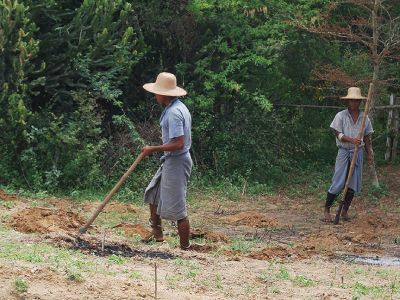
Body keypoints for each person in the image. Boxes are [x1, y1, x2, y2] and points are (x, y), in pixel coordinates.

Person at [141, 72, 193, 250]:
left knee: (178, 208)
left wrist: (152, 149)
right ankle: (158, 236)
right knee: (153, 194)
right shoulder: (175, 107)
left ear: (165, 94)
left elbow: (178, 143)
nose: (155, 95)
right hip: (171, 160)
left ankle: (185, 248)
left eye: (157, 92)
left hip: (177, 162)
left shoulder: (174, 113)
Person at [324, 87, 374, 222]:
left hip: (357, 153)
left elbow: (367, 138)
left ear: (360, 102)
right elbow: (337, 134)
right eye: (352, 100)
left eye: (357, 101)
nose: (354, 103)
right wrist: (352, 140)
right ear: (348, 101)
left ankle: (344, 211)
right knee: (338, 181)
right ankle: (327, 210)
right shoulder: (340, 116)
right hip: (344, 151)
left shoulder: (365, 118)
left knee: (353, 183)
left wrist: (369, 153)